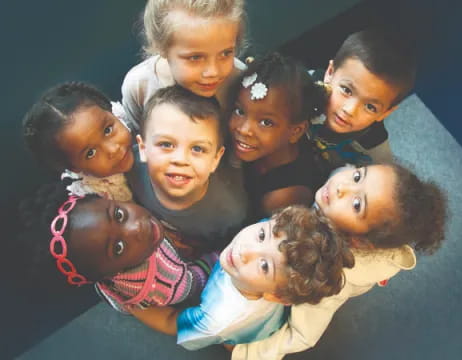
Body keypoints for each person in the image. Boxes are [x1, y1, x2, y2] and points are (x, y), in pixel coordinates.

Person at [231, 162, 448, 360]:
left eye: (356, 204)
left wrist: (247, 353)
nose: (341, 187)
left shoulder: (331, 279)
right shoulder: (338, 191)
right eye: (357, 177)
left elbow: (303, 335)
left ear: (358, 241)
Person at [129, 205, 354, 350]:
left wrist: (130, 302)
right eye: (262, 234)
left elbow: (171, 322)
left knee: (231, 340)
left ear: (275, 295)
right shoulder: (280, 238)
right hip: (250, 301)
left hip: (244, 327)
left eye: (264, 266)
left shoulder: (217, 319)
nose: (246, 251)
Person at [17, 180, 217, 312]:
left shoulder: (121, 246)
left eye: (119, 215)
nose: (136, 227)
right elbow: (197, 279)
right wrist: (217, 256)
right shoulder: (170, 285)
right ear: (108, 275)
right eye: (118, 248)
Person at [128, 85, 247, 254]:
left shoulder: (229, 214)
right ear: (142, 148)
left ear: (216, 159)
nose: (180, 160)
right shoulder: (129, 171)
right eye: (166, 145)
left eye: (198, 149)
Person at [228, 53, 331, 221]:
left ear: (295, 131)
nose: (244, 129)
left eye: (266, 122)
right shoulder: (264, 148)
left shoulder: (284, 195)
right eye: (240, 111)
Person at [122, 0, 247, 130]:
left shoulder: (242, 83)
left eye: (225, 53)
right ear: (161, 47)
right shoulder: (139, 86)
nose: (213, 72)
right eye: (195, 57)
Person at [308, 28, 417, 167]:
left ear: (385, 113)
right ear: (330, 73)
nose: (350, 110)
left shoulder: (374, 146)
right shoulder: (305, 85)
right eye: (346, 90)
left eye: (370, 107)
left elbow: (379, 182)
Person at [22, 82, 134, 201]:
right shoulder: (95, 198)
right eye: (90, 153)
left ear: (112, 112)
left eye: (108, 130)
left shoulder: (138, 120)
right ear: (73, 168)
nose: (113, 149)